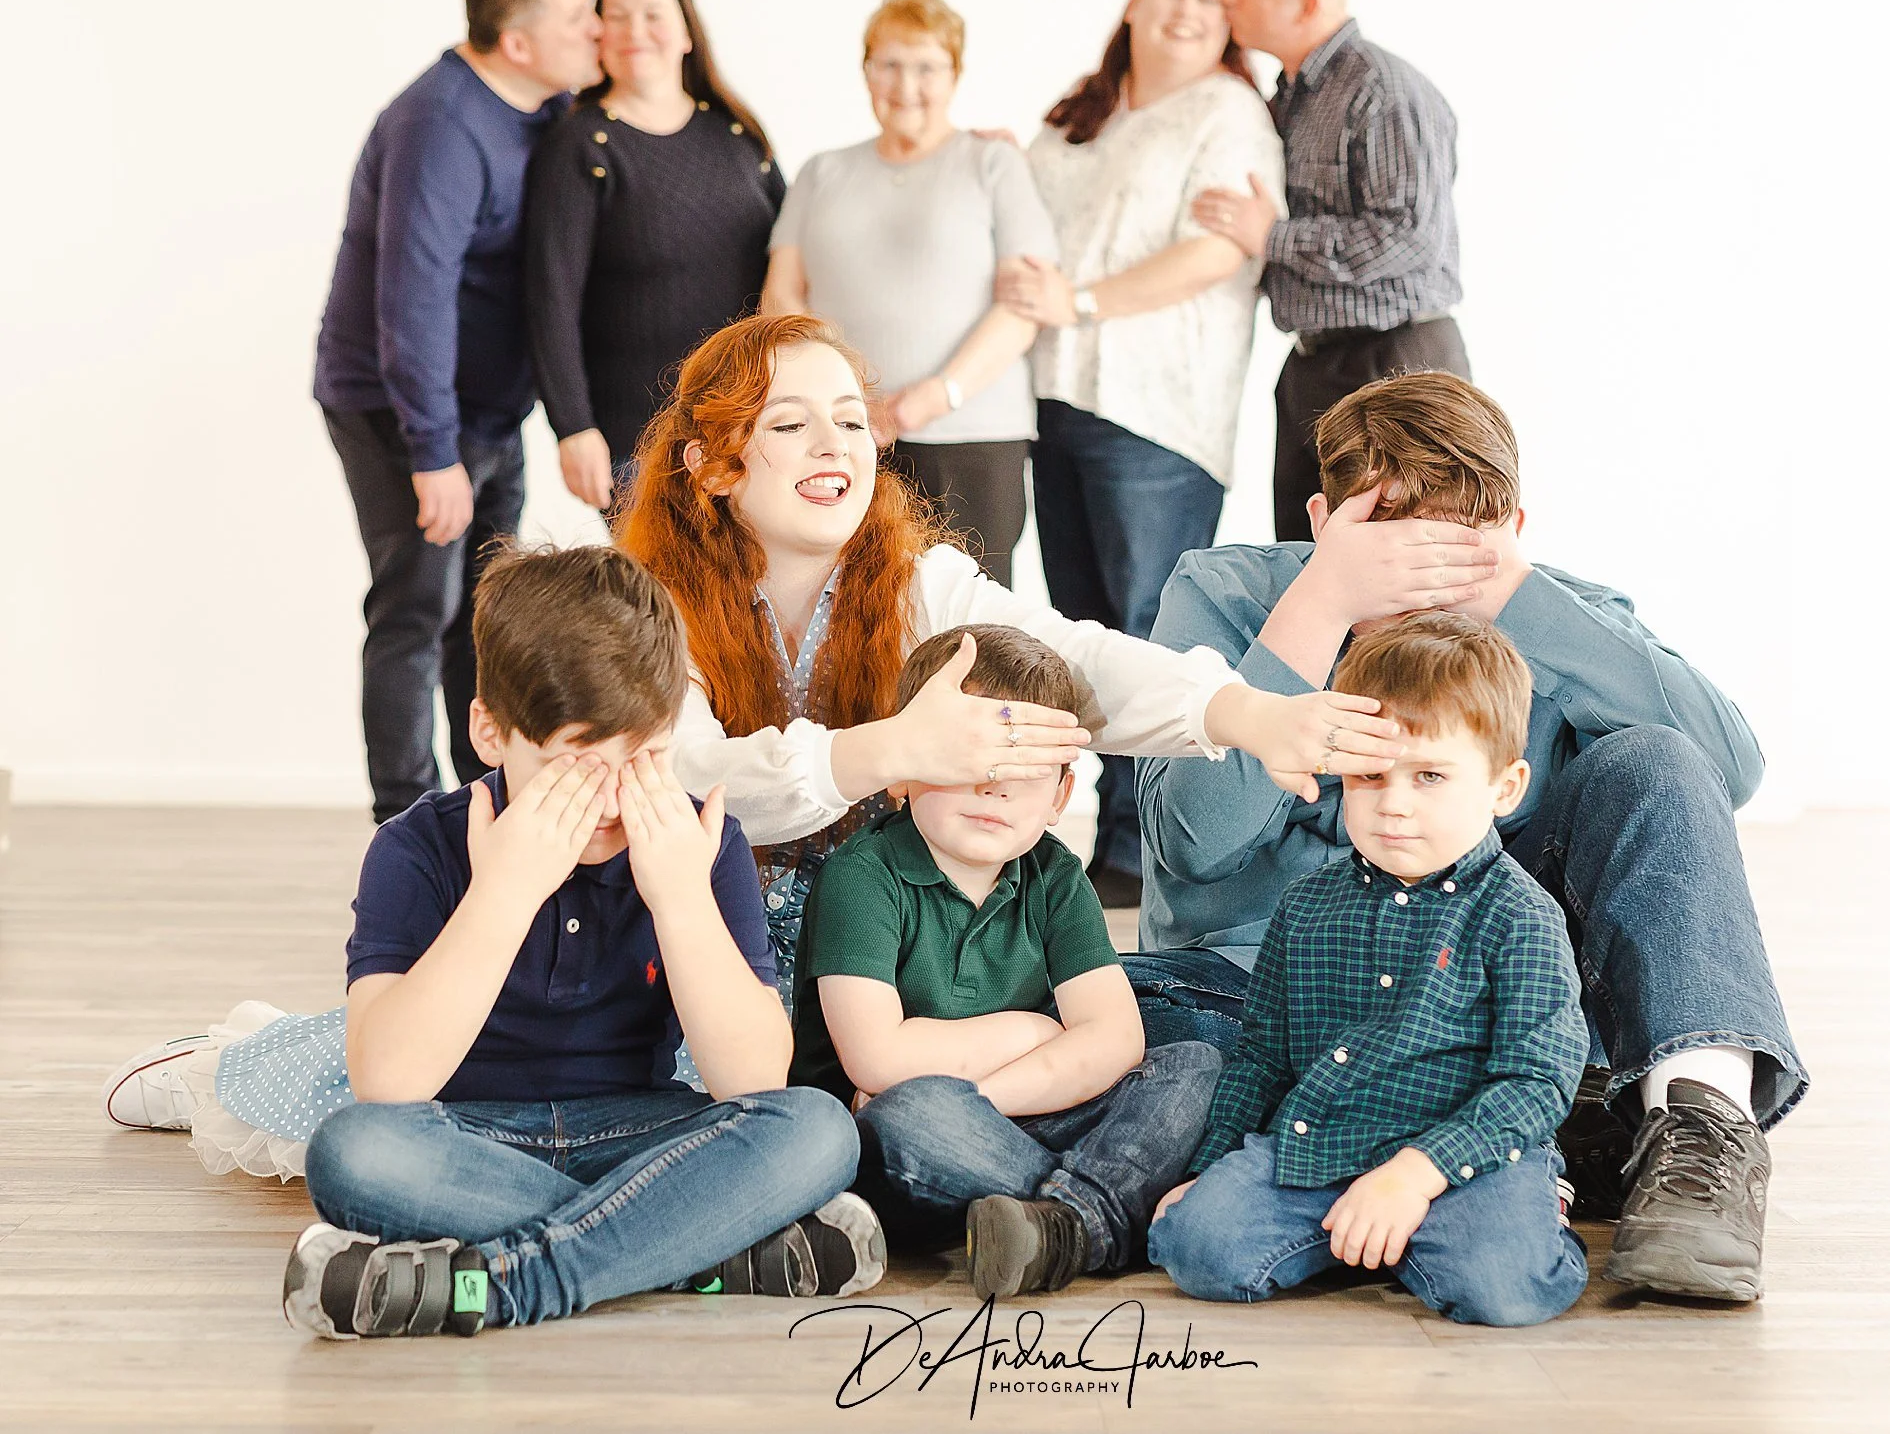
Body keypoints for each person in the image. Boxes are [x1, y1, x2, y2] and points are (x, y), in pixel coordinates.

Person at [103, 315, 1379, 1176]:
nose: (837, 448)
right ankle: (232, 1060)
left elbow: (1079, 660)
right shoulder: (639, 597)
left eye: (849, 421)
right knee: (442, 1077)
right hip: (690, 916)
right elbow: (696, 783)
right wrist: (890, 749)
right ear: (716, 462)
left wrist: (1245, 713)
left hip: (862, 923)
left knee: (1133, 1006)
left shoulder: (919, 578)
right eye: (792, 426)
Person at [1128, 371, 1804, 1302]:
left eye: (1455, 548)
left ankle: (1698, 1133)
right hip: (1263, 1008)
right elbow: (1189, 841)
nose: (1422, 579)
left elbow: (1724, 773)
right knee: (1143, 1041)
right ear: (1324, 521)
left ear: (1512, 534)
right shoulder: (1226, 592)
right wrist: (1319, 607)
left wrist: (1519, 600)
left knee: (1658, 758)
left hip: (1477, 1009)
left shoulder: (1553, 611)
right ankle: (1517, 1145)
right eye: (1390, 548)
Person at [280, 543, 881, 1339]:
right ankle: (696, 1246)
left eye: (647, 757)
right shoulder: (416, 847)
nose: (613, 795)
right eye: (577, 763)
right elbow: (388, 1080)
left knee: (817, 1126)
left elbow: (753, 1077)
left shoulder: (700, 842)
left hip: (643, 1133)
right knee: (355, 1152)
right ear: (491, 734)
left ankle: (505, 1284)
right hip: (470, 1140)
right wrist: (506, 890)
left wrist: (679, 898)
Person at [1150, 612, 1588, 1325]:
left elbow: (1537, 1080)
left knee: (1504, 1287)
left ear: (1504, 788)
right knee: (1195, 1246)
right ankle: (1360, 1236)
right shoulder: (1306, 906)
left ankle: (1524, 1206)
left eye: (1430, 776)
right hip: (1319, 1146)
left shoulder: (1520, 915)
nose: (1395, 804)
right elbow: (1261, 1060)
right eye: (1369, 775)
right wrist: (1207, 1168)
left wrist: (1416, 1176)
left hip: (1461, 1162)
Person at [792, 625, 1221, 1299]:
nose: (996, 788)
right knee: (913, 1111)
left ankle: (1064, 1222)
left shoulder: (1052, 875)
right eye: (973, 761)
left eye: (1025, 771)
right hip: (905, 1142)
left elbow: (1116, 1037)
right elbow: (877, 1061)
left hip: (1014, 1107)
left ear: (1058, 794)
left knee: (1191, 1063)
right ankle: (1108, 1212)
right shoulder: (865, 875)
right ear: (904, 767)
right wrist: (1035, 1033)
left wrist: (987, 1097)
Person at [996, 0, 1286, 907]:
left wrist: (1080, 302)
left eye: (1210, 1)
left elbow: (1215, 257)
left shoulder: (1228, 115)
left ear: (1230, 22)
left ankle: (1150, 849)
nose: (1186, 11)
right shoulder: (1081, 114)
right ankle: (1105, 843)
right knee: (1080, 628)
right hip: (1057, 398)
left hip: (1157, 414)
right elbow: (1023, 224)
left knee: (1149, 628)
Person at [313, 0, 601, 823]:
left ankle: (487, 807)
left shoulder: (545, 109)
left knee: (484, 622)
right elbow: (414, 301)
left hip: (484, 414)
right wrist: (432, 454)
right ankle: (406, 829)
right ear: (517, 42)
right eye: (577, 14)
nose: (595, 28)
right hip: (402, 412)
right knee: (416, 613)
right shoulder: (442, 124)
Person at [760, 0, 1054, 586]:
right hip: (844, 434)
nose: (906, 84)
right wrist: (848, 399)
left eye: (927, 67)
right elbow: (780, 297)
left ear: (955, 75)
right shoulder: (822, 172)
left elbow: (1023, 309)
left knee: (971, 618)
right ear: (865, 71)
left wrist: (935, 395)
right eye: (888, 64)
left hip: (970, 435)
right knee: (848, 605)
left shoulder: (993, 164)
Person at [1191, 0, 1467, 543]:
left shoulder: (1384, 90)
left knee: (1405, 574)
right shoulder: (1286, 95)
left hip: (1396, 363)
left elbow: (1409, 236)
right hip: (1313, 368)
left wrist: (1274, 238)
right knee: (1307, 564)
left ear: (1307, 2)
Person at [525, 0, 784, 513]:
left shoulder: (737, 136)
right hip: (637, 442)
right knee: (666, 601)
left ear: (687, 32)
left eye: (652, 14)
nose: (633, 31)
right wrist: (572, 427)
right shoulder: (582, 148)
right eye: (615, 16)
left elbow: (797, 259)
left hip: (751, 433)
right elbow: (550, 300)